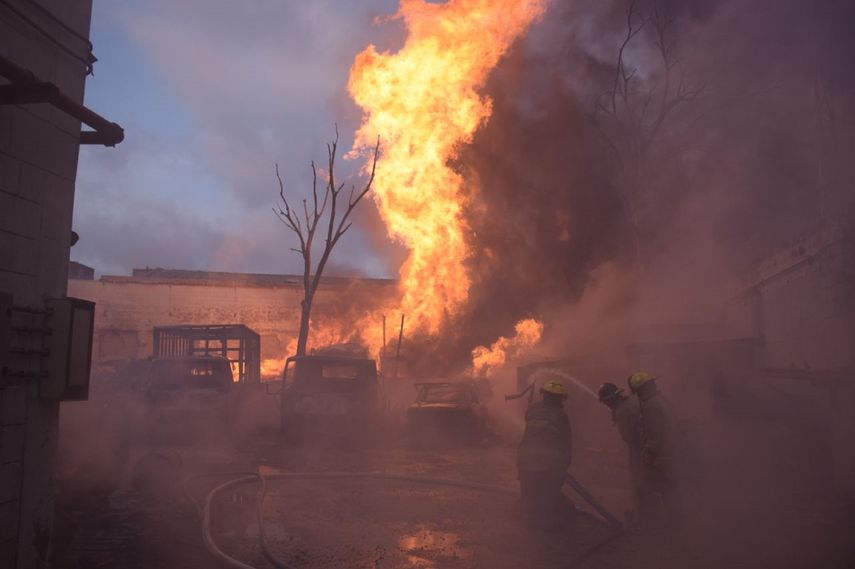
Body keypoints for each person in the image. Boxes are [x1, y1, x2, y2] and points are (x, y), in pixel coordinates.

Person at [516, 380, 574, 529]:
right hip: (547, 462)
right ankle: (545, 522)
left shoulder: (532, 410)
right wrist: (564, 465)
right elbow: (565, 444)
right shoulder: (561, 416)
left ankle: (527, 516)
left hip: (525, 457)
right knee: (548, 491)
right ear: (559, 398)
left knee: (528, 489)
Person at [627, 371, 681, 525]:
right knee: (670, 487)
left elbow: (654, 434)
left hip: (662, 455)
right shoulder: (661, 400)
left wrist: (648, 453)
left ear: (641, 390)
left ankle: (654, 520)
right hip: (671, 451)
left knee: (653, 487)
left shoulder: (651, 405)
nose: (637, 395)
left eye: (637, 392)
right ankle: (674, 519)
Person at [597, 382, 643, 518]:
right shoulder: (630, 402)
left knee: (638, 482)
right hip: (646, 447)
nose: (606, 405)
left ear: (609, 400)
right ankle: (642, 512)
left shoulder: (622, 411)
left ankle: (643, 517)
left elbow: (628, 436)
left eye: (605, 402)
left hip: (639, 450)